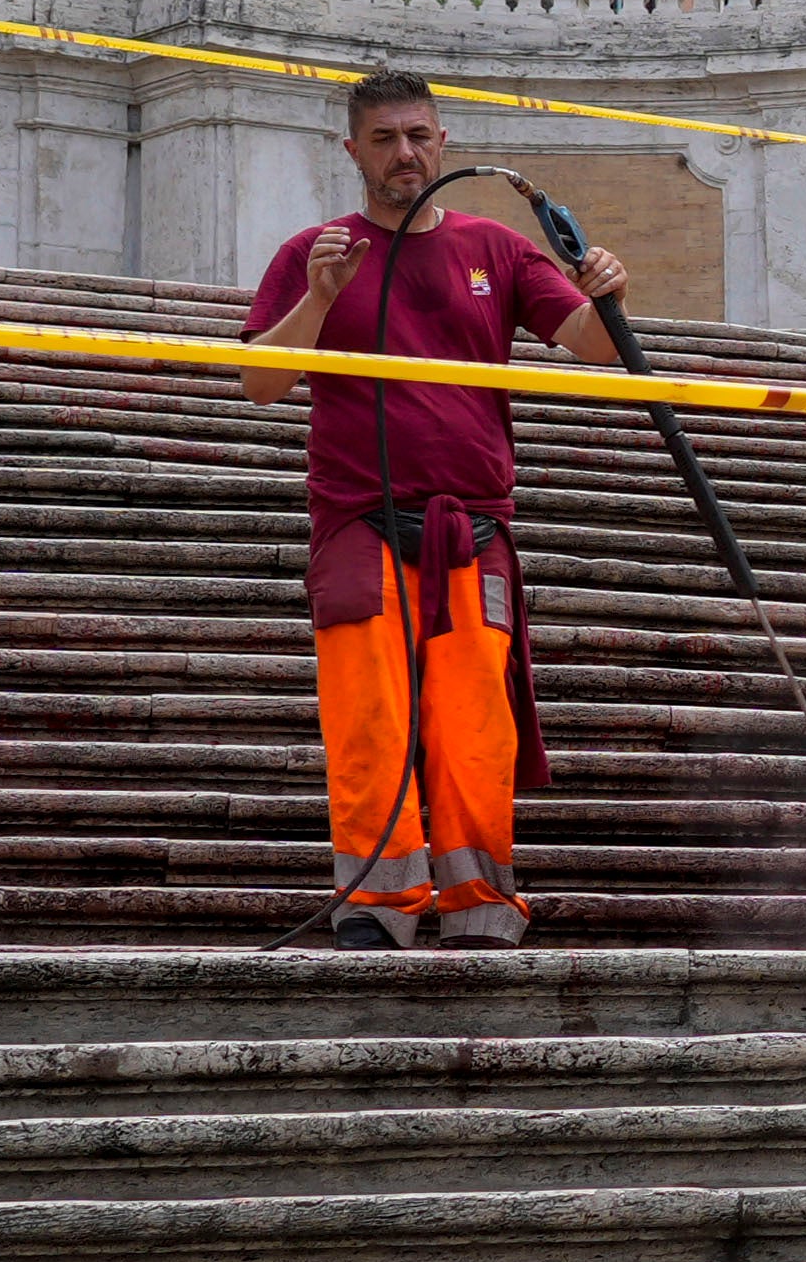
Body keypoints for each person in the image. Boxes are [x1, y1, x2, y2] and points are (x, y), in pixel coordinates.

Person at [241, 73, 630, 950]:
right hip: (357, 523)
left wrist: (606, 286)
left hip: (474, 529)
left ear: (444, 141)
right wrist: (320, 298)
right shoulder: (315, 251)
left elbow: (596, 346)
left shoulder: (496, 247)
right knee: (369, 719)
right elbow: (260, 383)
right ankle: (379, 906)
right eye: (383, 139)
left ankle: (478, 908)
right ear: (352, 150)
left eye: (418, 135)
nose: (404, 154)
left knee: (472, 730)